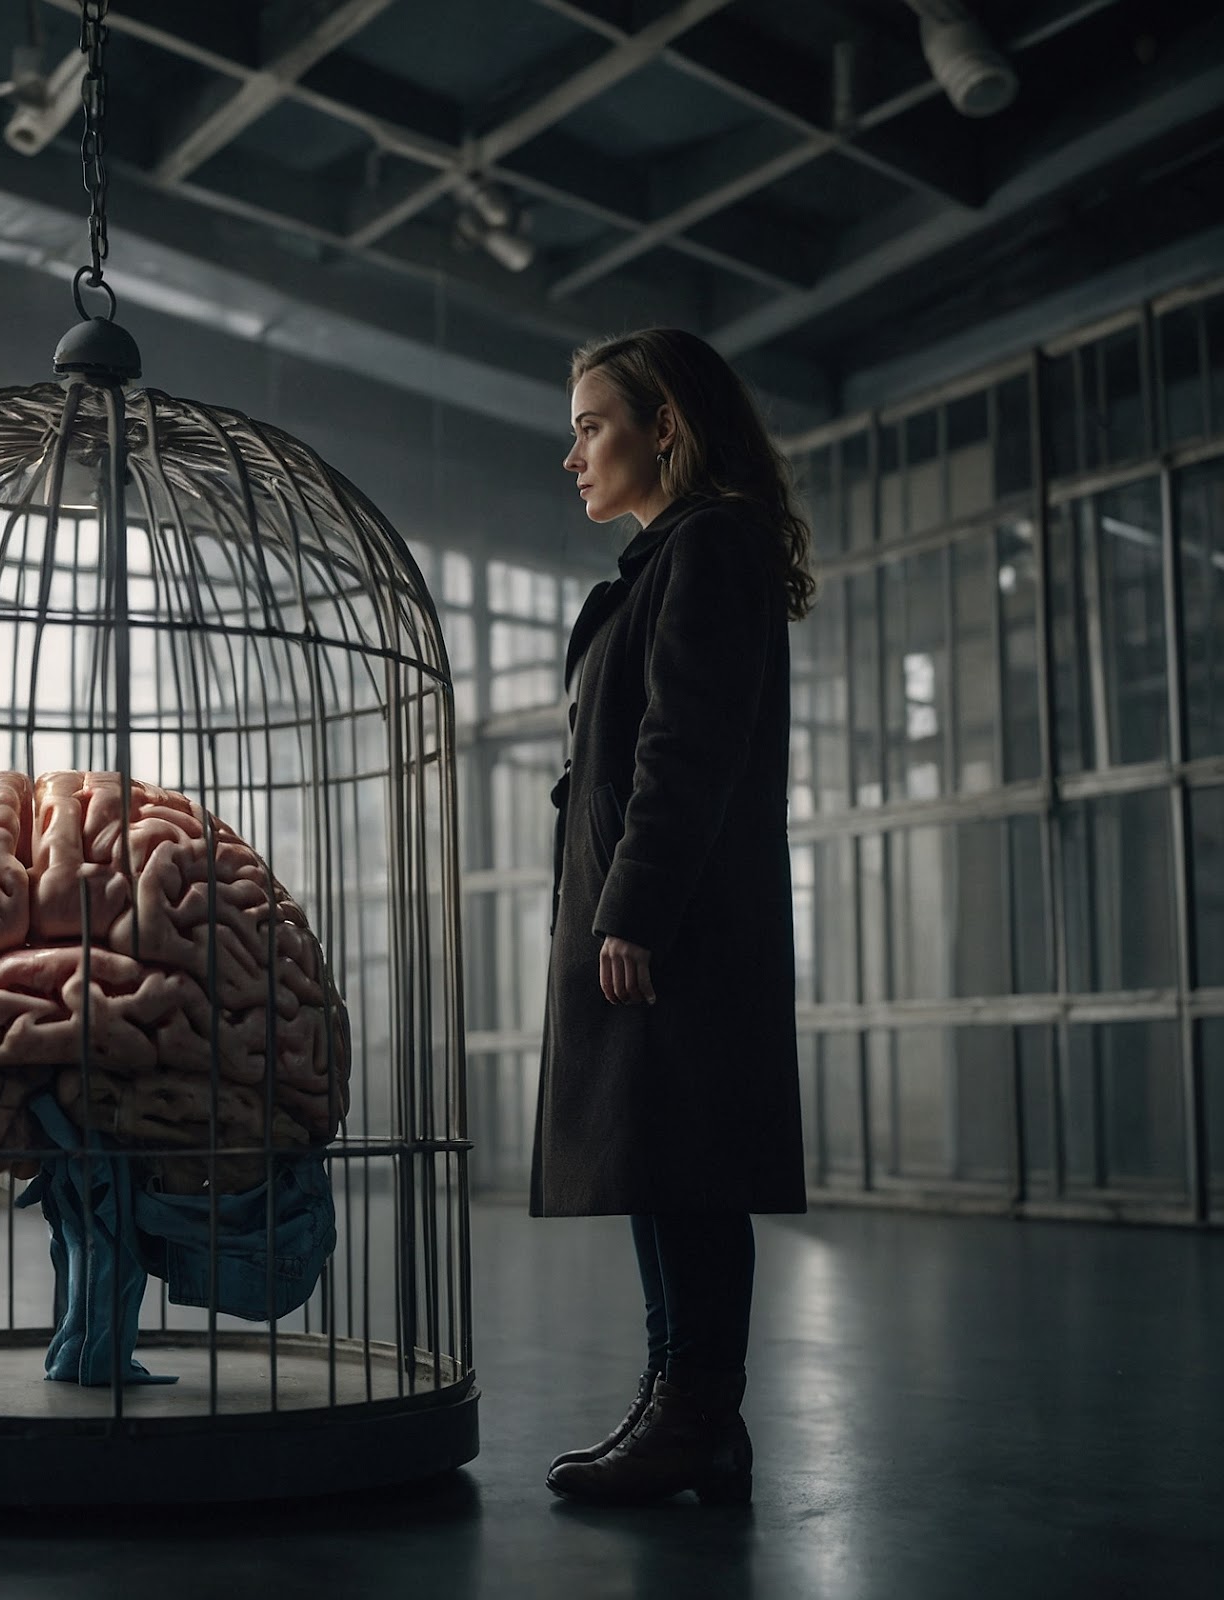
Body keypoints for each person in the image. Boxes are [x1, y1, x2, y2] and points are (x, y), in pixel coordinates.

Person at [531, 328, 814, 1507]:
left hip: (674, 920)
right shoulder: (666, 562)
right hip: (654, 913)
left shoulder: (706, 549)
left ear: (667, 428)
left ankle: (694, 1412)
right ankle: (682, 1408)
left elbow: (682, 752)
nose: (573, 454)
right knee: (660, 1165)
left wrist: (629, 908)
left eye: (593, 423)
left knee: (686, 1166)